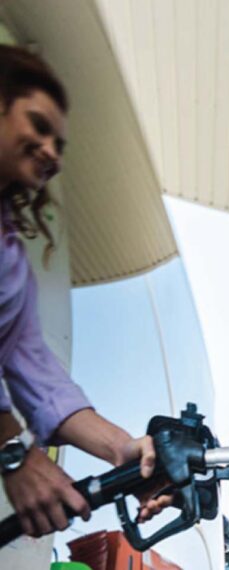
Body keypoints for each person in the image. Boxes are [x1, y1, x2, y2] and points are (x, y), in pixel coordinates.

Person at [0, 45, 168, 540]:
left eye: (59, 142)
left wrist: (122, 449)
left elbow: (36, 372)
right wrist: (12, 450)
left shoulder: (13, 261)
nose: (51, 149)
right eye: (38, 125)